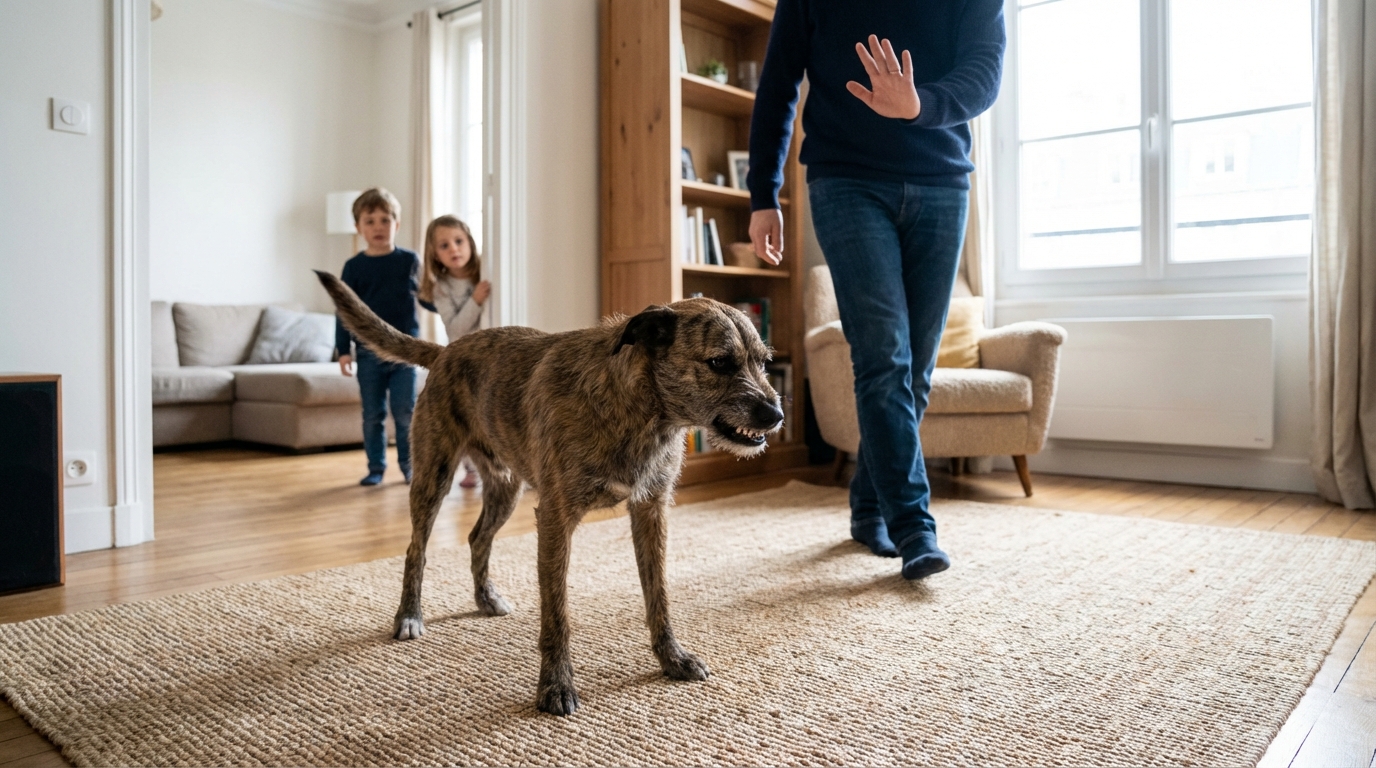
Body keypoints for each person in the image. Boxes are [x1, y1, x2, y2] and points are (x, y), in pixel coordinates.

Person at [747, 1, 1005, 580]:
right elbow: (779, 84)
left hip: (942, 182)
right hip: (846, 181)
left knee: (914, 370)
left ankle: (870, 507)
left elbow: (985, 71)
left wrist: (919, 106)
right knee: (884, 358)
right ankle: (915, 527)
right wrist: (763, 194)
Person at [336, 188, 421, 487]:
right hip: (369, 355)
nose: (378, 227)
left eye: (385, 220)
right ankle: (375, 467)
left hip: (404, 353)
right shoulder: (354, 268)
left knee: (406, 412)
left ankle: (410, 467)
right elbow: (344, 311)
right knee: (373, 414)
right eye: (370, 221)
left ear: (396, 225)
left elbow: (428, 298)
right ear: (358, 228)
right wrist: (343, 350)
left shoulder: (410, 261)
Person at [417, 214, 491, 488]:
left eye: (459, 241)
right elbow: (456, 331)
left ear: (470, 241)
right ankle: (472, 468)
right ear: (434, 254)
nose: (454, 249)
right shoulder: (442, 288)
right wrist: (475, 300)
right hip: (464, 361)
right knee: (465, 414)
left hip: (492, 357)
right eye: (444, 246)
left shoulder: (488, 270)